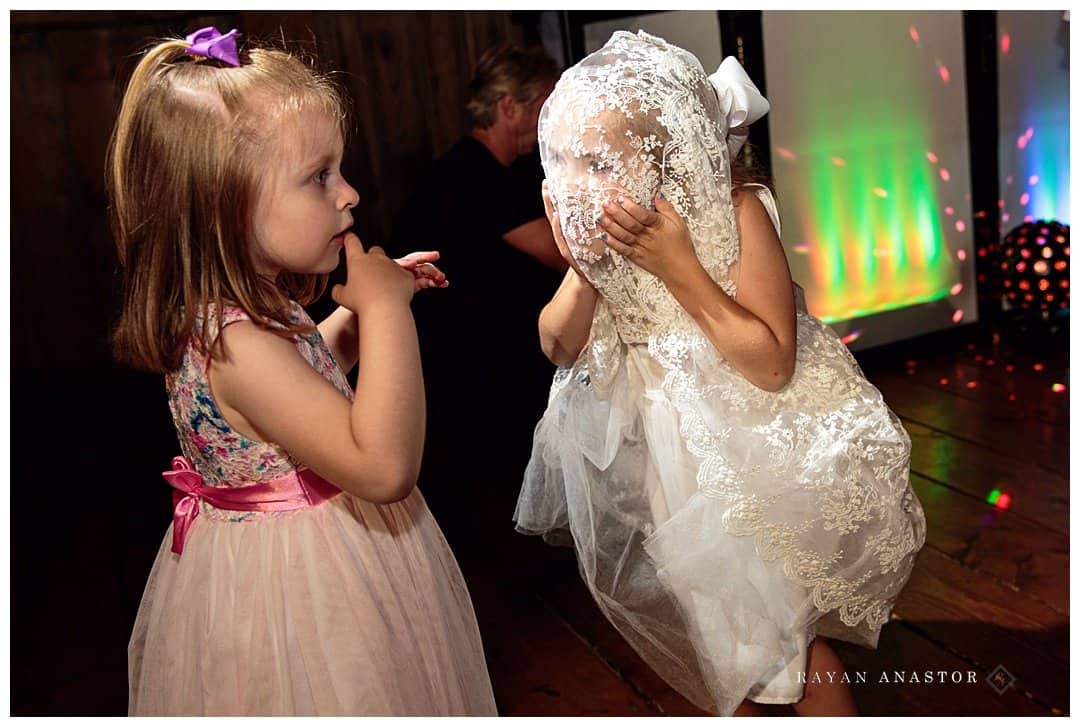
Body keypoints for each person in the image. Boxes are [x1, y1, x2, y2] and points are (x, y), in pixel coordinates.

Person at [514, 31, 927, 717]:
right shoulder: (605, 238)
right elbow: (556, 345)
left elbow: (770, 362)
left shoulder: (736, 215)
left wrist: (680, 267)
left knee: (785, 637)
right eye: (563, 163)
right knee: (725, 639)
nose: (574, 183)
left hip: (747, 446)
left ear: (663, 160)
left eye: (595, 162)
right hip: (670, 461)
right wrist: (585, 269)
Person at [108, 27, 497, 716]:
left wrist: (348, 324)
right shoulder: (237, 344)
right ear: (226, 202)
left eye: (339, 169)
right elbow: (380, 467)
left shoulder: (237, 312)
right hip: (304, 585)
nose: (348, 194)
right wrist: (383, 312)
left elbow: (298, 383)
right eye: (318, 176)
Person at [390, 44, 565, 449]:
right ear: (509, 107)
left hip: (478, 356)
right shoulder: (476, 173)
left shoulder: (494, 167)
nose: (553, 120)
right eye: (546, 105)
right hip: (464, 368)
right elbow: (561, 256)